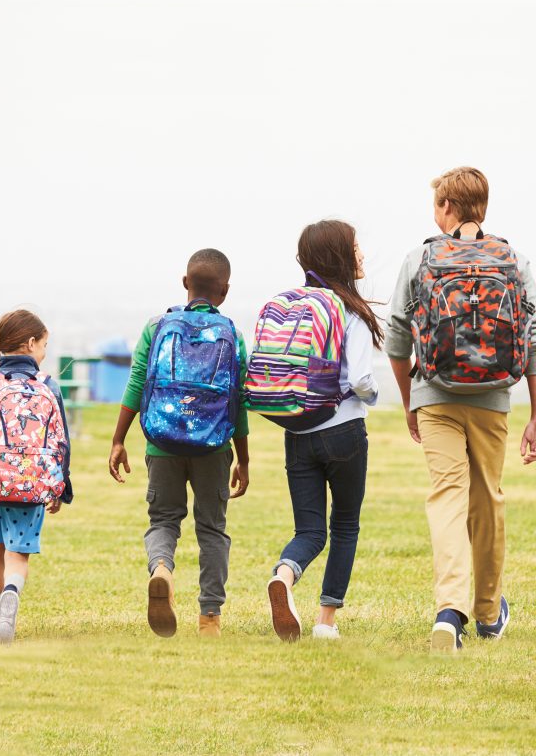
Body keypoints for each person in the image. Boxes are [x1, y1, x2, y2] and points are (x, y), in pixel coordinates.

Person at [386, 166, 536, 653]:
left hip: (435, 396)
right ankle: (488, 613)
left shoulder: (421, 258)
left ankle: (450, 611)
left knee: (447, 496)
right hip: (493, 398)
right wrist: (535, 414)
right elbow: (531, 342)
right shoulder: (514, 261)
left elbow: (396, 338)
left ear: (446, 208)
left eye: (437, 204)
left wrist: (410, 403)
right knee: (487, 498)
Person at [108, 248, 249, 638]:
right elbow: (239, 401)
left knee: (163, 520)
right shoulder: (232, 334)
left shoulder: (157, 327)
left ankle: (162, 571)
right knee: (212, 529)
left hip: (163, 444)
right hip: (214, 447)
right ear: (225, 290)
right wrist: (244, 458)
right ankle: (209, 619)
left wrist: (118, 440)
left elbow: (137, 382)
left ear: (185, 283)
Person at [266, 220, 382, 641]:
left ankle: (283, 574)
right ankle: (324, 622)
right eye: (356, 247)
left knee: (309, 531)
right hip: (344, 431)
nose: (362, 254)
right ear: (340, 256)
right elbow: (362, 380)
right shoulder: (350, 309)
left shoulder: (293, 305)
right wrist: (372, 399)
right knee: (345, 525)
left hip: (296, 431)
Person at [0, 310, 73, 644]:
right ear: (30, 343)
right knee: (17, 556)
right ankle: (10, 604)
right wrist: (61, 487)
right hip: (33, 485)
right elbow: (61, 441)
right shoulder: (49, 385)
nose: (44, 353)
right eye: (44, 346)